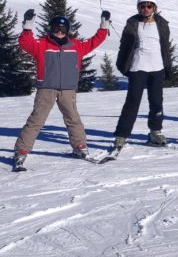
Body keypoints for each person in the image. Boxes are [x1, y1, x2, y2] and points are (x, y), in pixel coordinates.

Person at [12, 9, 109, 169]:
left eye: (63, 29)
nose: (59, 32)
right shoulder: (42, 45)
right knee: (36, 120)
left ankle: (80, 147)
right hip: (46, 89)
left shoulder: (76, 46)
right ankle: (21, 151)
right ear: (51, 29)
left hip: (68, 90)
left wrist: (104, 27)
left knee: (73, 119)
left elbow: (94, 42)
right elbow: (25, 43)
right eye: (56, 28)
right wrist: (27, 27)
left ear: (67, 31)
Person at [112, 0, 172, 151]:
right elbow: (124, 46)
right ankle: (122, 135)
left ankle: (155, 131)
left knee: (157, 102)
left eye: (149, 6)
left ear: (154, 8)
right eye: (142, 6)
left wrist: (167, 65)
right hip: (138, 67)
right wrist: (121, 65)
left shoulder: (162, 24)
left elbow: (165, 46)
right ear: (138, 8)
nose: (145, 9)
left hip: (157, 67)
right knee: (132, 102)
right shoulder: (133, 23)